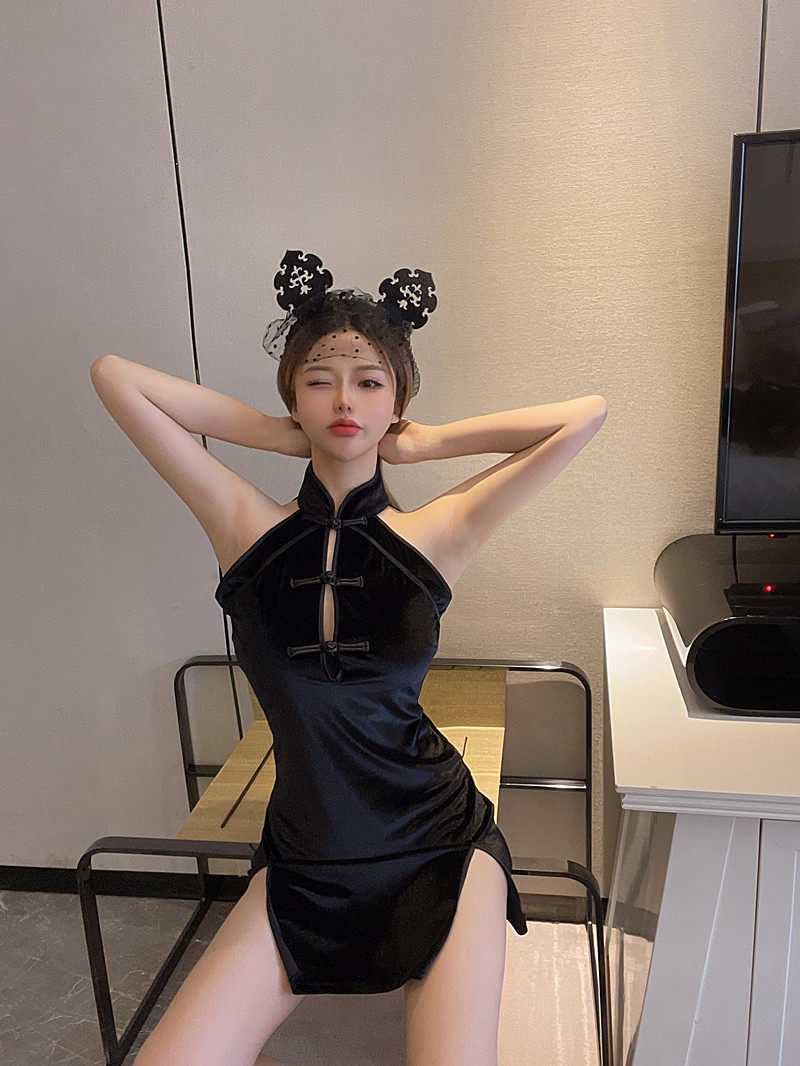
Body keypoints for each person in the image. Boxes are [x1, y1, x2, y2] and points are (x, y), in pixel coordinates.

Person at [90, 250, 607, 1066]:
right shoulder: (241, 525)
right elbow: (115, 377)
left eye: (369, 382)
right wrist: (274, 434)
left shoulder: (434, 535)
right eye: (319, 380)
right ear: (293, 395)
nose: (343, 400)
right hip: (305, 863)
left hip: (438, 848)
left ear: (396, 400)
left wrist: (423, 443)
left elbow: (585, 416)